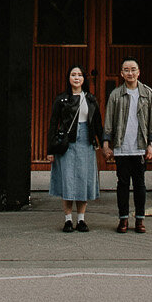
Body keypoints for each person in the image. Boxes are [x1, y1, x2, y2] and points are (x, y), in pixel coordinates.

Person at [102, 57, 152, 233]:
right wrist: (106, 144)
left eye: (133, 69)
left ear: (138, 72)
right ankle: (123, 219)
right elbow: (109, 119)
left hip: (140, 147)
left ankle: (140, 220)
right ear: (121, 73)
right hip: (121, 147)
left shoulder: (147, 93)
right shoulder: (116, 95)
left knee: (140, 184)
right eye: (126, 70)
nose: (130, 73)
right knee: (123, 184)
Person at [46, 65, 101, 231]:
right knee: (68, 180)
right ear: (68, 78)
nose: (76, 78)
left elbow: (97, 123)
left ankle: (82, 219)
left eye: (79, 75)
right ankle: (68, 219)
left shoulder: (91, 99)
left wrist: (104, 142)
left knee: (83, 180)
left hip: (86, 141)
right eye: (73, 74)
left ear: (84, 79)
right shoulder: (61, 99)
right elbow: (53, 124)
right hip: (66, 143)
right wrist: (50, 150)